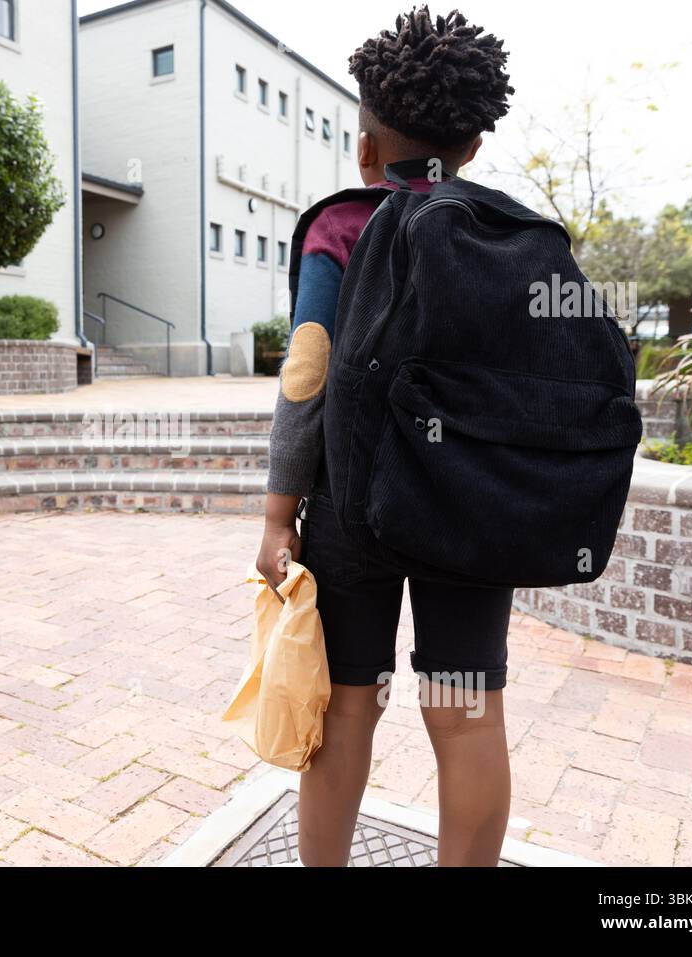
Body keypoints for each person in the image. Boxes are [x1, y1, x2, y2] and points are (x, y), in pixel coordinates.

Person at [254, 6, 517, 867]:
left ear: (364, 148)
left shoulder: (338, 225)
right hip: (471, 511)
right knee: (467, 709)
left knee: (348, 705)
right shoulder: (509, 235)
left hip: (350, 506)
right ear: (475, 146)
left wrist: (276, 514)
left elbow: (307, 379)